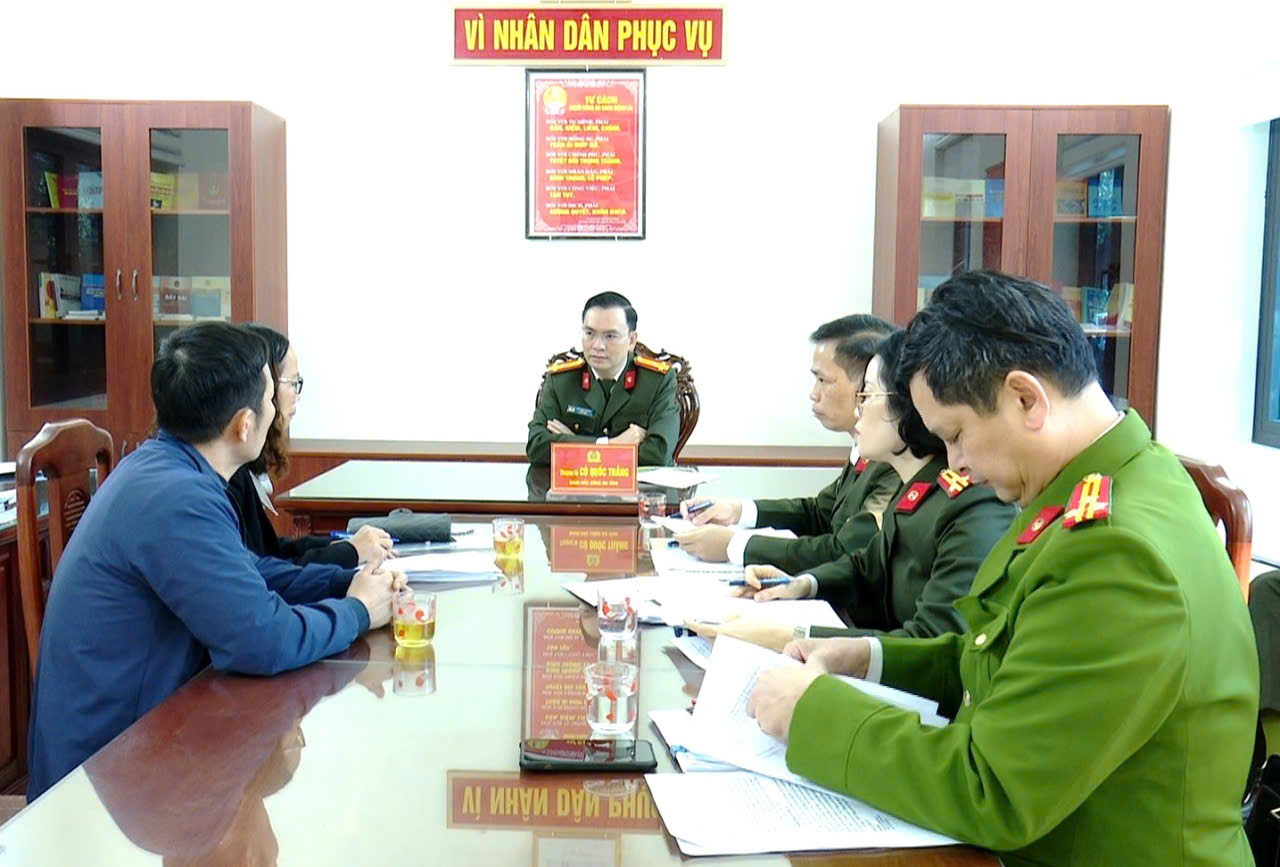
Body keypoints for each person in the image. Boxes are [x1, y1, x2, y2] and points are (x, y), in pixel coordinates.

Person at [748, 271, 1258, 865]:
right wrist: (865, 657)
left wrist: (811, 713)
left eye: (957, 434)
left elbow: (994, 789)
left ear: (1025, 399)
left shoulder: (1117, 553)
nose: (955, 461)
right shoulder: (1107, 477)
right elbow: (1002, 660)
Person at [28, 321, 405, 799]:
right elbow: (262, 641)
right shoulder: (178, 497)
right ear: (244, 424)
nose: (277, 412)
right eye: (270, 400)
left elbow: (247, 574)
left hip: (142, 743)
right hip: (107, 773)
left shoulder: (167, 468)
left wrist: (344, 581)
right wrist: (358, 611)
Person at [688, 329, 1015, 650]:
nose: (858, 410)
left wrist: (796, 637)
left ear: (908, 405)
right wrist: (802, 584)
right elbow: (867, 566)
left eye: (867, 395)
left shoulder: (971, 502)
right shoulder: (915, 486)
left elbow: (934, 642)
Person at [673, 314, 901, 573]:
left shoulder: (892, 462)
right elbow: (819, 513)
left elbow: (845, 554)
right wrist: (736, 511)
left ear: (867, 384)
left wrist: (735, 545)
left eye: (823, 380)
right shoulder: (865, 451)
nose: (813, 393)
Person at [227, 324, 393, 568]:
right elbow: (265, 572)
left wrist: (344, 545)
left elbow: (271, 552)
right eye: (292, 382)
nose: (297, 394)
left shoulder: (241, 467)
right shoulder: (229, 474)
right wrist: (349, 552)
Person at [526, 292, 680, 466]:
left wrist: (573, 443)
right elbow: (537, 447)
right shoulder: (561, 381)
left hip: (640, 484)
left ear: (631, 341)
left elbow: (658, 454)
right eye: (589, 333)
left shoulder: (657, 381)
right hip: (576, 483)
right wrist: (610, 445)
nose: (597, 345)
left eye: (610, 336)